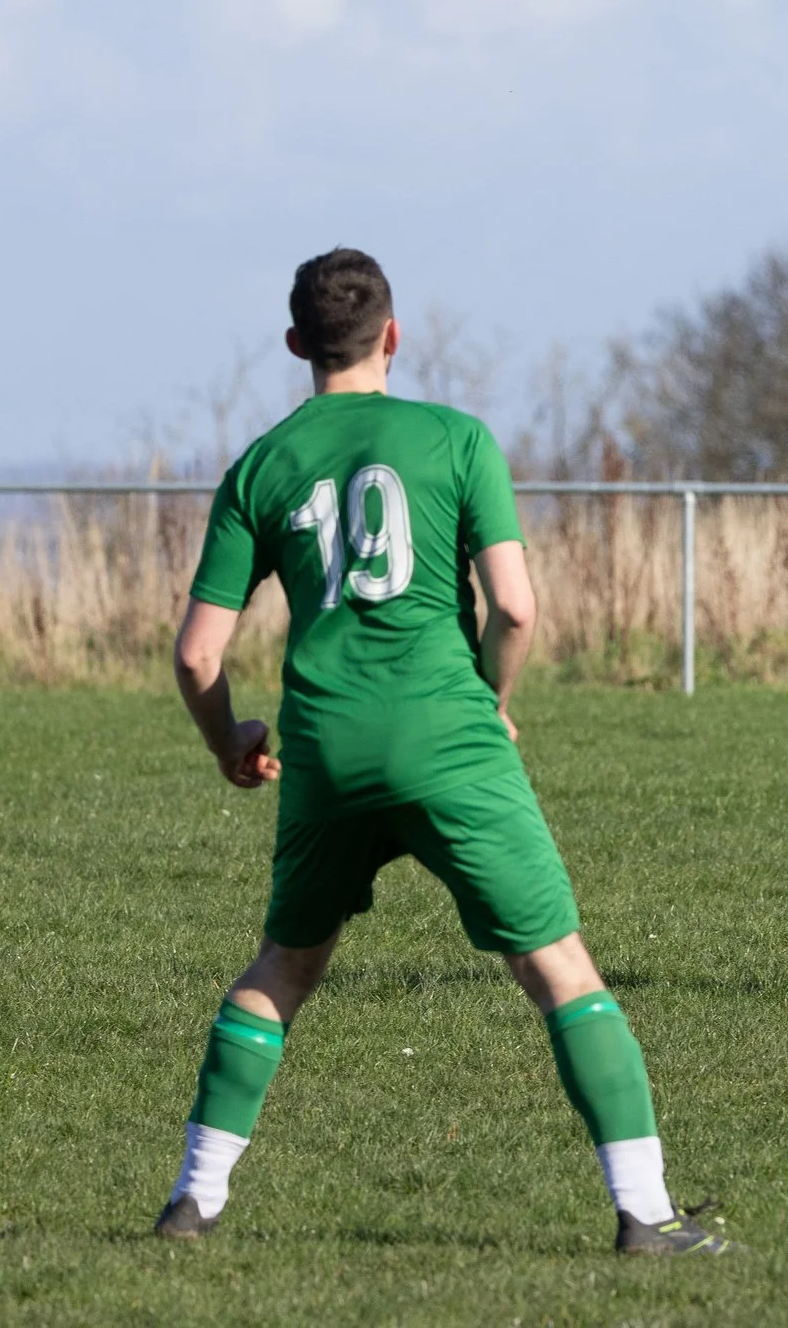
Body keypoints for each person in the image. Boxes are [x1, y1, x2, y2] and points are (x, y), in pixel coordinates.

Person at [154, 247, 727, 1255]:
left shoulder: (261, 464)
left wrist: (228, 744)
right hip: (450, 738)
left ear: (296, 345)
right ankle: (645, 1213)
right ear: (394, 334)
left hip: (326, 747)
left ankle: (193, 1200)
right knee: (559, 969)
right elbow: (516, 604)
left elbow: (198, 652)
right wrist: (494, 698)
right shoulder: (457, 439)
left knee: (285, 965)